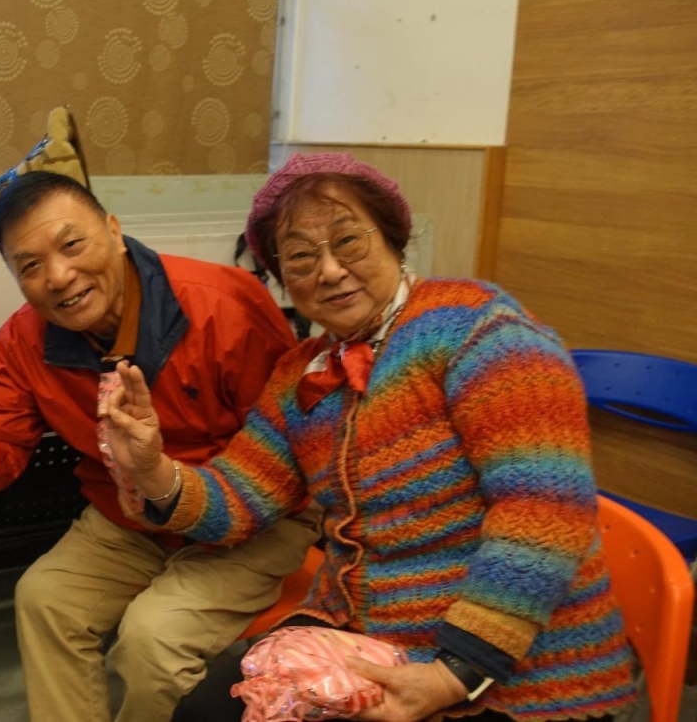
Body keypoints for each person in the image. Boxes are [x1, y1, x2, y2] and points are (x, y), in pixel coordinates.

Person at [101, 152, 638, 722]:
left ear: (392, 239)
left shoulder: (480, 330)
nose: (329, 271)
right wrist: (153, 470)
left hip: (525, 678)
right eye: (300, 257)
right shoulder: (299, 375)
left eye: (348, 242)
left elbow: (544, 513)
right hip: (374, 646)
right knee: (201, 710)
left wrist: (453, 674)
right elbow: (238, 498)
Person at [0, 172, 323, 722]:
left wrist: (186, 493)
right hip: (129, 517)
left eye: (72, 244)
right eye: (30, 266)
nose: (59, 277)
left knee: (151, 640)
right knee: (45, 599)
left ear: (113, 230)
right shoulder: (26, 337)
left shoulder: (223, 303)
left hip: (252, 518)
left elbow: (293, 443)